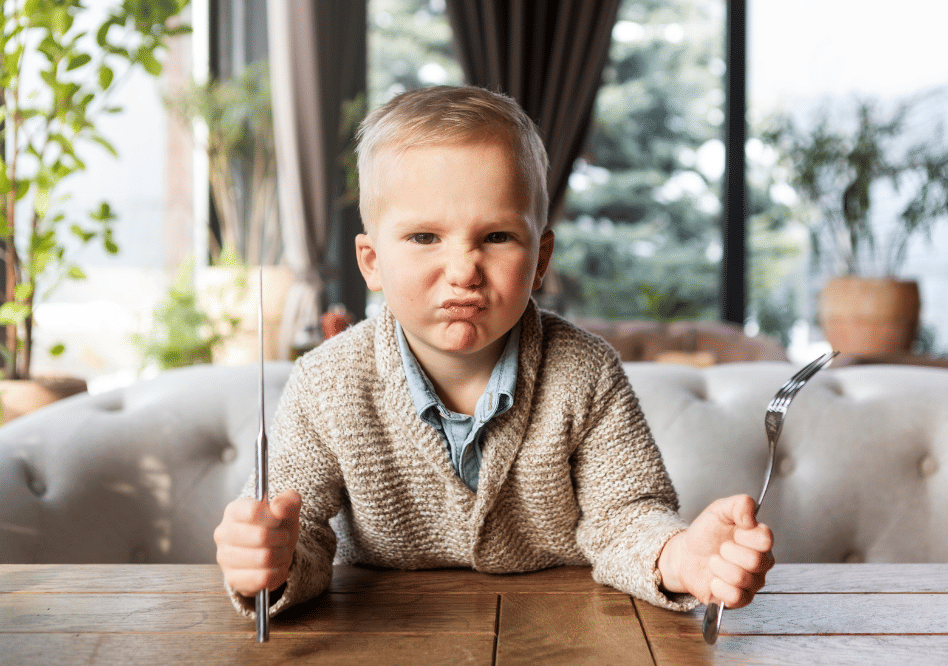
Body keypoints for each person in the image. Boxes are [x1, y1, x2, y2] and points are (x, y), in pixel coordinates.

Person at [214, 85, 774, 619]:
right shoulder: (324, 381)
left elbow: (624, 518)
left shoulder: (586, 370)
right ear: (372, 262)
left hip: (566, 629)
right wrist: (267, 562)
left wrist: (677, 557)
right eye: (425, 238)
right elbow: (299, 532)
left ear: (541, 258)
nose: (464, 272)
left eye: (498, 237)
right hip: (384, 634)